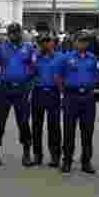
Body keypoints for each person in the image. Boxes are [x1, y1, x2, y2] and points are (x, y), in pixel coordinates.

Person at [0, 22, 36, 166]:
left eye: (17, 32)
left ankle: (27, 153)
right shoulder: (1, 48)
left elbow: (34, 68)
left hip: (21, 90)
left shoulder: (28, 48)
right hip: (5, 89)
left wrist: (29, 84)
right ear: (8, 34)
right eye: (12, 33)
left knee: (23, 122)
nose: (14, 35)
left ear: (20, 33)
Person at [56, 30, 99, 174]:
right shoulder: (66, 58)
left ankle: (86, 162)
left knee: (87, 131)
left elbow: (97, 75)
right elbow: (58, 77)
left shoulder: (92, 58)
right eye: (81, 41)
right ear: (74, 42)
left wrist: (90, 85)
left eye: (86, 41)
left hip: (88, 98)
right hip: (71, 97)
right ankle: (67, 161)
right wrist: (63, 93)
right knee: (69, 131)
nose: (83, 43)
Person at [29, 34, 62, 168]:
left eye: (48, 42)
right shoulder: (35, 57)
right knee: (36, 126)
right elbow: (30, 73)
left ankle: (55, 156)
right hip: (38, 92)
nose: (45, 45)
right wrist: (35, 58)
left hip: (53, 93)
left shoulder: (60, 58)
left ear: (53, 43)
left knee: (54, 126)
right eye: (42, 42)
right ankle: (37, 155)